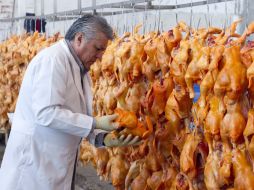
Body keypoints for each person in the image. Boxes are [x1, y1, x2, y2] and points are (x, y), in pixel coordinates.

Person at [0, 14, 140, 190]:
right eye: (97, 49)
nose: (99, 57)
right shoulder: (53, 61)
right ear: (79, 38)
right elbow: (46, 113)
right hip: (33, 165)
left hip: (55, 164)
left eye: (103, 51)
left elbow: (77, 117)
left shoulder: (81, 72)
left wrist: (103, 138)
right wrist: (95, 122)